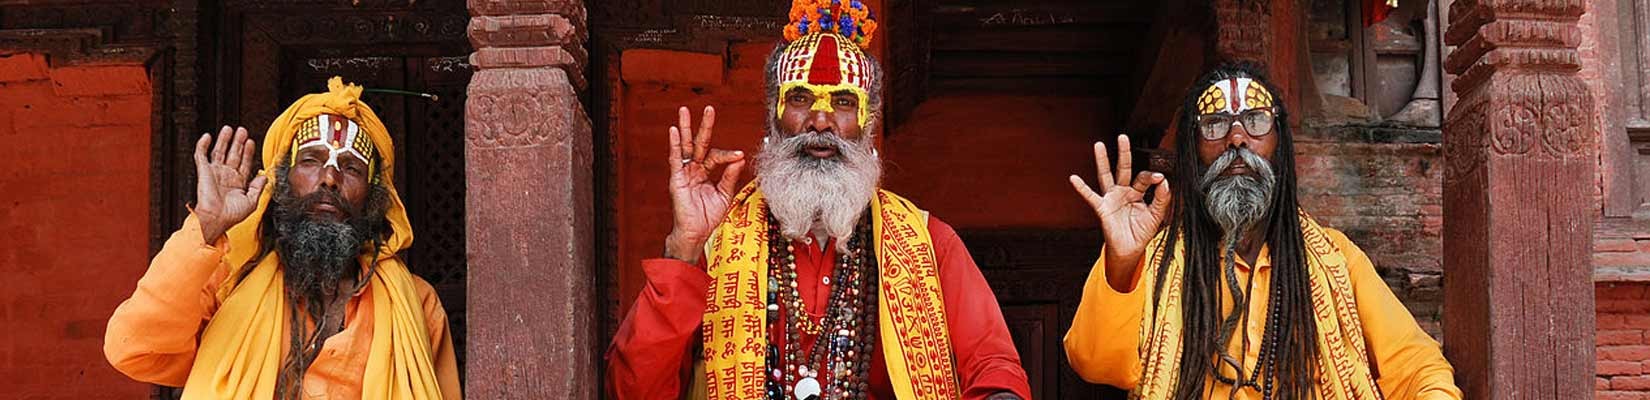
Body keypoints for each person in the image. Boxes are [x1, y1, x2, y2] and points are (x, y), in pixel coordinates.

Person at [604, 1, 1031, 399]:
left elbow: (994, 367)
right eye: (801, 98)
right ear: (774, 114)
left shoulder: (929, 242)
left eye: (844, 102)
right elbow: (630, 391)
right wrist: (684, 248)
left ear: (868, 123)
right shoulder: (715, 243)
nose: (821, 120)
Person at [1062, 65, 1461, 400]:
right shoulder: (1159, 260)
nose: (1237, 138)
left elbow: (1415, 368)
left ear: (1278, 143)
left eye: (1255, 121)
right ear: (1193, 148)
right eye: (1215, 124)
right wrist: (1122, 260)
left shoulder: (1337, 259)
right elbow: (1095, 363)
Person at [104, 78, 460, 400]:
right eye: (310, 160)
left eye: (351, 167)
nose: (329, 179)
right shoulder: (228, 280)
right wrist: (206, 228)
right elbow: (134, 348)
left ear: (376, 195)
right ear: (281, 180)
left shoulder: (417, 302)